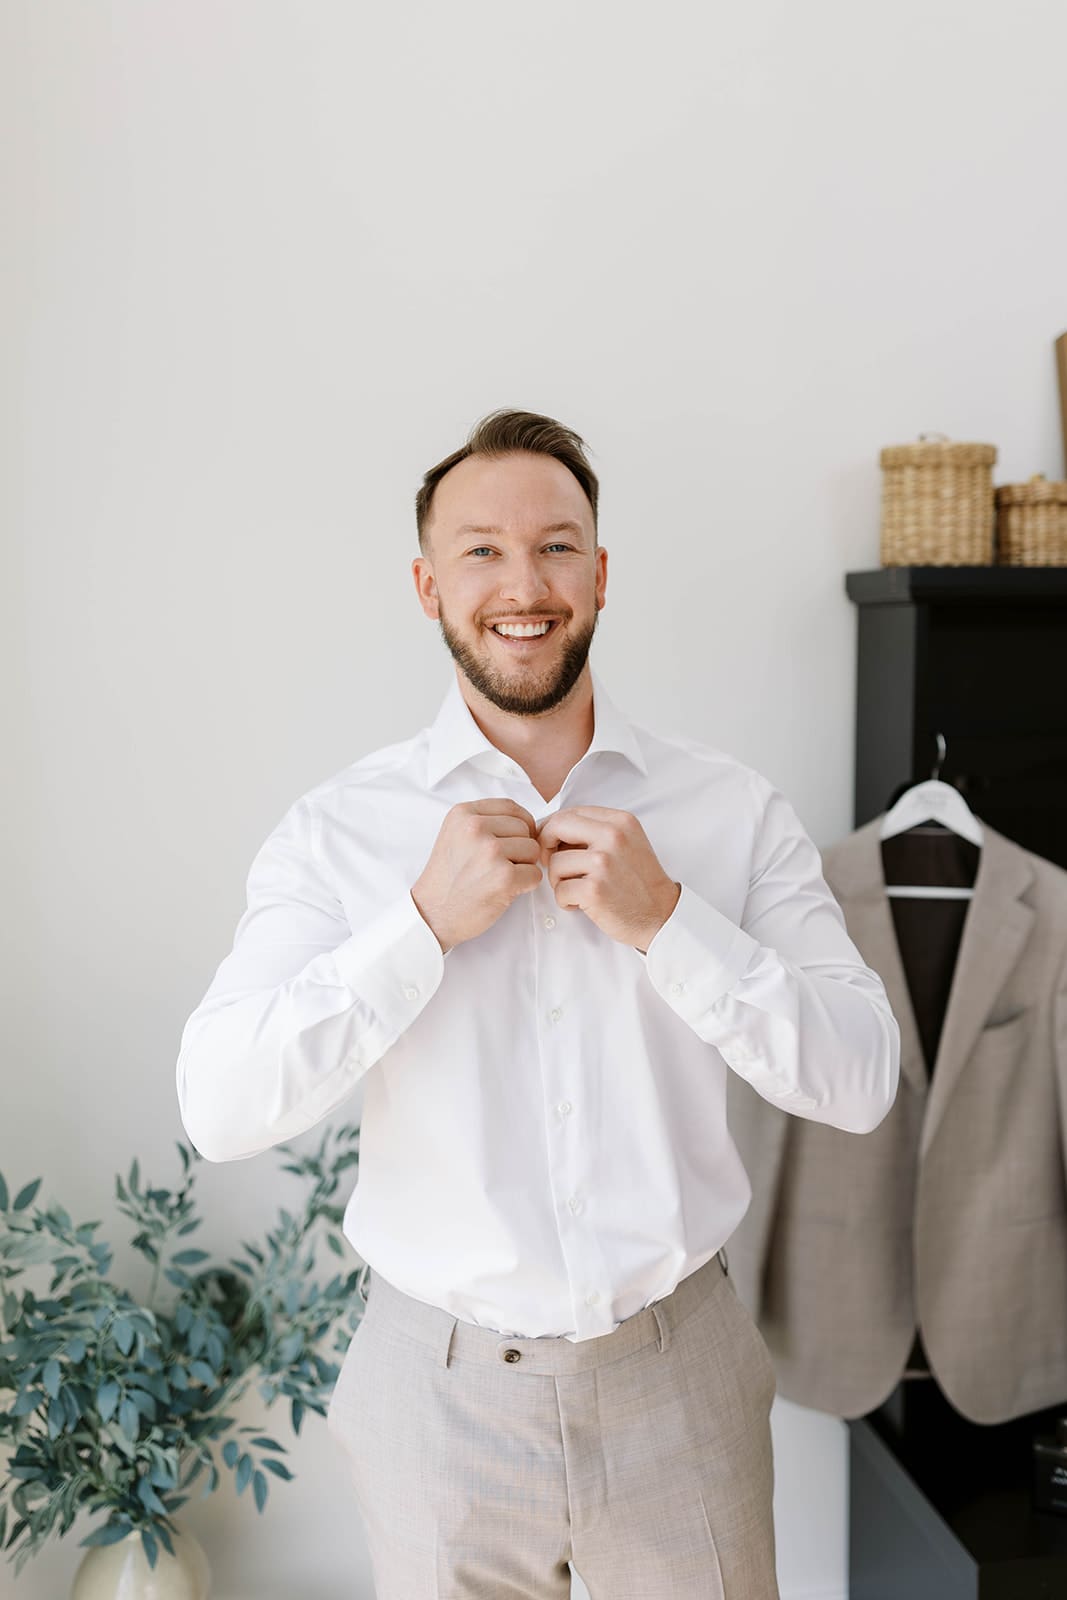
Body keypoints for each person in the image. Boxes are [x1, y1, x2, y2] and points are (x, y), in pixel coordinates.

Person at [176, 407, 901, 1599]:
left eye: (557, 545)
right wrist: (413, 930)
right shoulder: (340, 833)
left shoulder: (728, 812)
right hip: (439, 1398)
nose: (523, 582)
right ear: (426, 584)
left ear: (601, 573)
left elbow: (860, 1077)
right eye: (481, 550)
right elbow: (218, 1102)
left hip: (680, 1381)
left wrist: (671, 922)